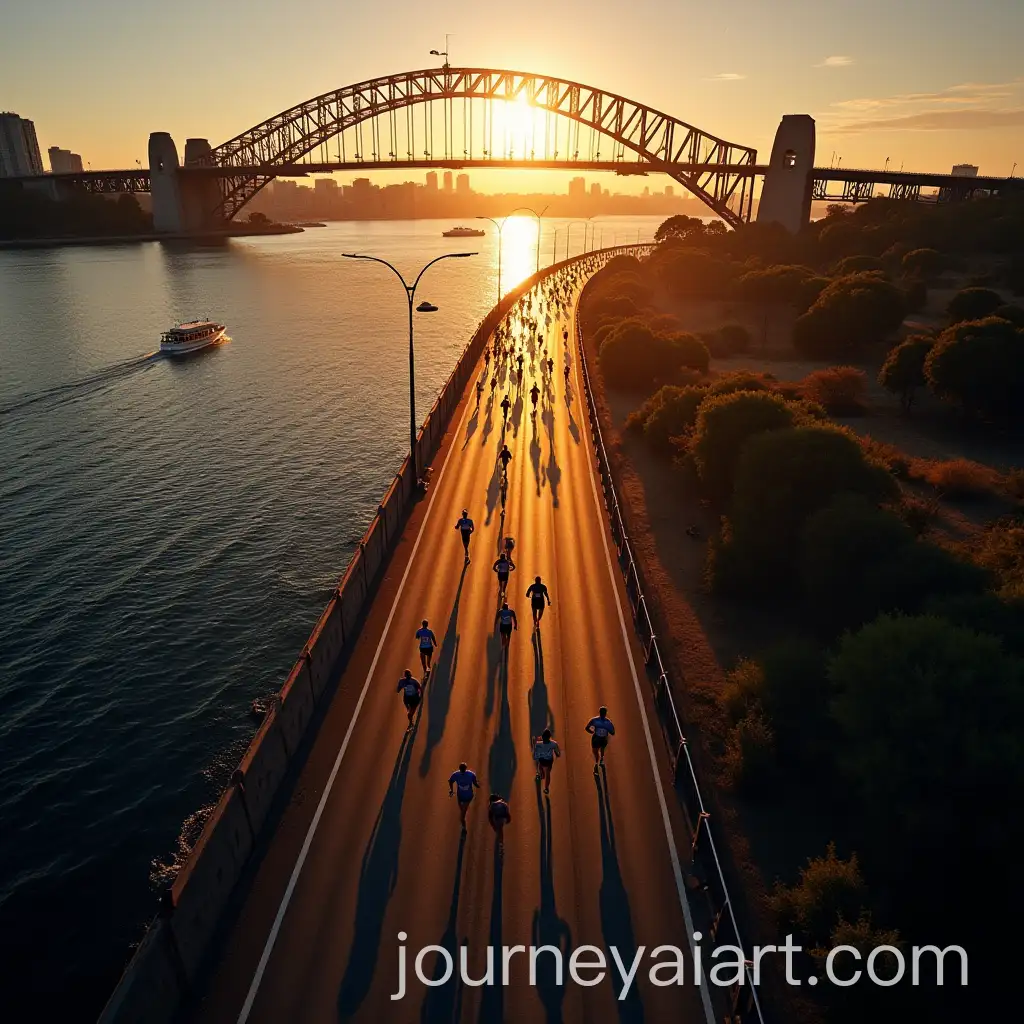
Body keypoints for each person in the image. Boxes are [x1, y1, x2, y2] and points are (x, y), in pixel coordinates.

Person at [448, 762, 480, 831]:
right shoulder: (459, 774)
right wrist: (451, 789)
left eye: (463, 769)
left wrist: (451, 789)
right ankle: (463, 819)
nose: (462, 770)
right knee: (462, 811)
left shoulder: (469, 774)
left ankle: (464, 828)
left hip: (468, 796)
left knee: (462, 815)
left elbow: (450, 781)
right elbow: (451, 781)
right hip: (460, 796)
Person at [585, 706, 615, 773]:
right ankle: (600, 760)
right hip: (601, 738)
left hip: (598, 738)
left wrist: (591, 732)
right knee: (600, 749)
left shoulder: (595, 720)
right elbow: (613, 732)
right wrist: (607, 729)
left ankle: (598, 761)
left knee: (597, 750)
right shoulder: (608, 722)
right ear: (605, 713)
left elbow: (587, 728)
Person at [532, 728, 561, 793]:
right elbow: (558, 753)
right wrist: (557, 754)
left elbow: (534, 746)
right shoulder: (553, 743)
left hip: (544, 760)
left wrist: (534, 741)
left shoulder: (539, 744)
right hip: (548, 760)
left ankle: (541, 776)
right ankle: (546, 787)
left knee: (542, 768)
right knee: (547, 773)